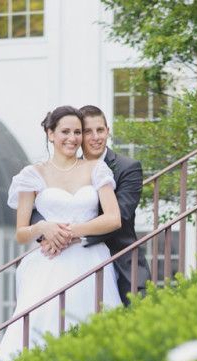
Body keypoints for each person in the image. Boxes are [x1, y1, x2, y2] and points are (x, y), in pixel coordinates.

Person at [0, 106, 122, 361]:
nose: (72, 138)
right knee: (40, 331)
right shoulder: (32, 175)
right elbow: (21, 232)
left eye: (77, 132)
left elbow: (113, 218)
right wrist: (44, 228)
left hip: (90, 262)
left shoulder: (96, 169)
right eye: (65, 131)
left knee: (90, 330)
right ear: (50, 133)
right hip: (48, 265)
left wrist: (70, 232)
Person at [36, 105, 148, 306]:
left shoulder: (127, 168)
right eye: (88, 131)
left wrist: (65, 234)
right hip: (68, 261)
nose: (96, 137)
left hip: (119, 260)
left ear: (108, 131)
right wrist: (46, 231)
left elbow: (120, 216)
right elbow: (37, 208)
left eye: (100, 130)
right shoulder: (66, 167)